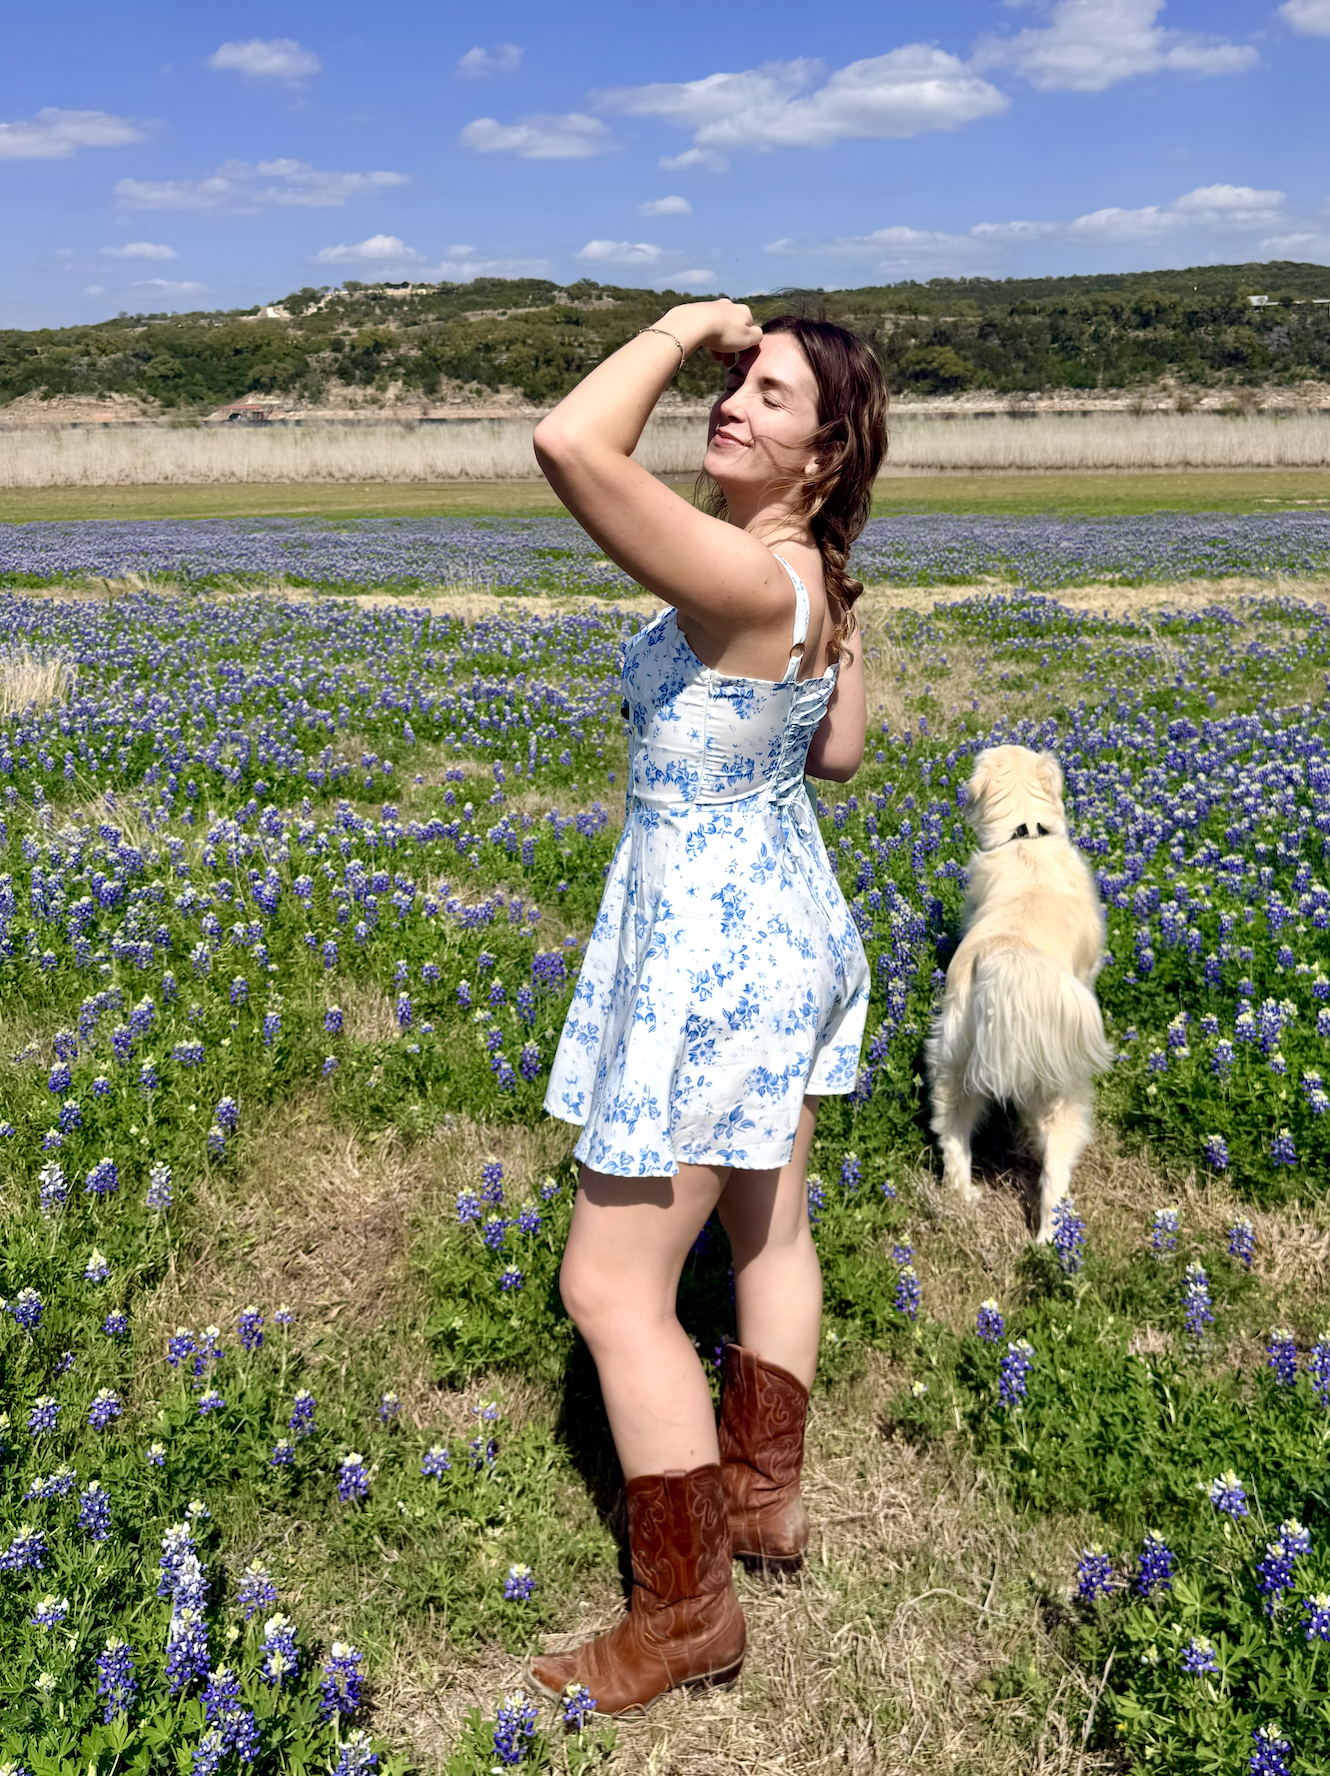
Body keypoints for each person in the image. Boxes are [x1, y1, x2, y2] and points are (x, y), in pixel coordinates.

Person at [529, 298, 888, 1716]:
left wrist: (678, 327)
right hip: (785, 929)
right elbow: (842, 752)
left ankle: (682, 1618)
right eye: (731, 379)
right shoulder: (803, 577)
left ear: (824, 448)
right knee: (767, 1230)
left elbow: (569, 440)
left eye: (770, 395)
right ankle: (761, 1502)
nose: (728, 403)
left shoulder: (747, 582)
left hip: (704, 955)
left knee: (612, 1286)